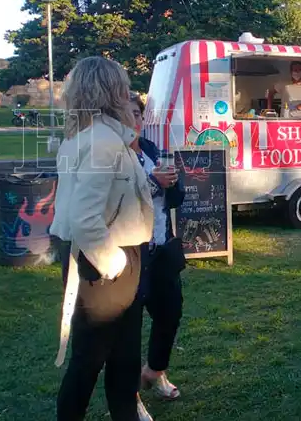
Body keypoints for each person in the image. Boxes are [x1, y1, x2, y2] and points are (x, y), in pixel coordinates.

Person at [52, 56, 154, 421]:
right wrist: (115, 263)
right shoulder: (102, 141)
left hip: (107, 255)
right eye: (122, 86)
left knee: (122, 359)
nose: (128, 93)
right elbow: (83, 217)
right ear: (110, 91)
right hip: (106, 260)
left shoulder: (92, 138)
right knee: (90, 360)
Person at [128, 94, 186, 418]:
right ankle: (130, 395)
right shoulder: (113, 157)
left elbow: (174, 199)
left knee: (170, 314)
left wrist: (173, 182)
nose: (133, 120)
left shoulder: (151, 149)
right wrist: (154, 181)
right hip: (129, 255)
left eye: (137, 114)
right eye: (126, 114)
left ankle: (155, 371)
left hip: (161, 248)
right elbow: (119, 200)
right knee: (129, 329)